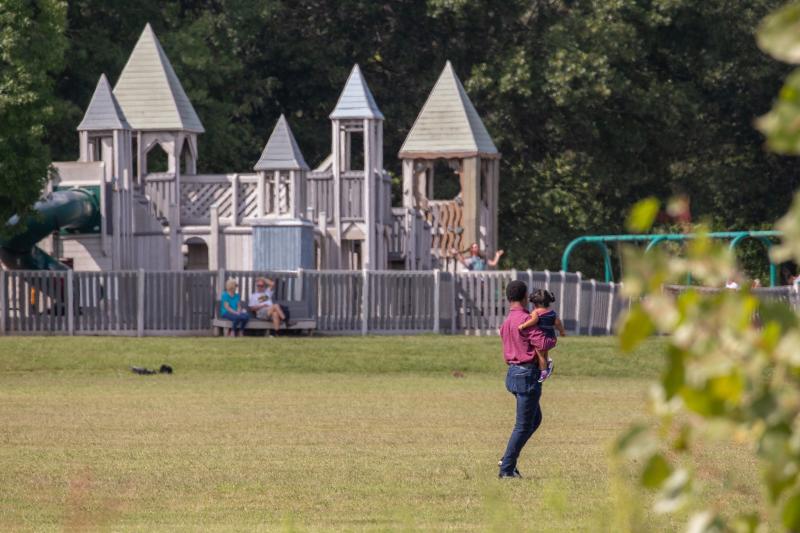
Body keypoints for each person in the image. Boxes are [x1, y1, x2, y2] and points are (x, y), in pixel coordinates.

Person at [498, 280, 544, 479]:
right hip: (527, 374)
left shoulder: (507, 321)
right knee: (523, 425)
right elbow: (542, 342)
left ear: (508, 297)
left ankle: (508, 459)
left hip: (513, 374)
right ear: (525, 296)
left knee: (535, 419)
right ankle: (506, 469)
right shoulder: (527, 319)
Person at [518, 289, 566, 382]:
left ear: (536, 303)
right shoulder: (552, 312)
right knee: (544, 352)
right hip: (550, 338)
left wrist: (523, 326)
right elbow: (558, 323)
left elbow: (534, 320)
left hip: (541, 338)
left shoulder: (536, 312)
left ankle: (544, 372)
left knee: (540, 356)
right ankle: (548, 363)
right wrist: (562, 332)